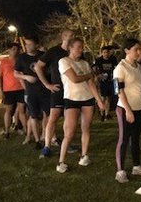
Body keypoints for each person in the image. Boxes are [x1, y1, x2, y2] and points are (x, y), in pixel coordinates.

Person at [56, 38, 105, 173]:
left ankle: (84, 156)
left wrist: (99, 100)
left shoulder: (84, 63)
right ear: (70, 48)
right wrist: (90, 74)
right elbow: (75, 79)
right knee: (70, 131)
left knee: (86, 128)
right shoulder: (64, 62)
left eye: (82, 47)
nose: (80, 50)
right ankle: (61, 161)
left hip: (87, 99)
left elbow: (90, 84)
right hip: (71, 99)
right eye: (78, 47)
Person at [114, 38, 141, 183]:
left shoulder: (137, 67)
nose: (139, 52)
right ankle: (120, 171)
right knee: (123, 139)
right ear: (126, 51)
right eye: (136, 49)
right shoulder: (120, 68)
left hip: (140, 108)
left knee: (135, 138)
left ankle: (136, 166)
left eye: (139, 49)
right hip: (125, 109)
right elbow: (119, 91)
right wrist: (128, 110)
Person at [34, 29, 74, 159]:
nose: (72, 38)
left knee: (69, 118)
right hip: (58, 89)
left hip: (72, 90)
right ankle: (47, 146)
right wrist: (47, 84)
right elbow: (38, 67)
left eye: (74, 36)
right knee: (53, 117)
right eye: (69, 36)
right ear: (63, 37)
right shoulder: (54, 51)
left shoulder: (76, 52)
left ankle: (67, 143)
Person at [14, 36, 48, 147]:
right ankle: (37, 140)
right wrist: (26, 77)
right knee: (33, 116)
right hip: (31, 91)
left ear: (36, 45)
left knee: (47, 114)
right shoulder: (21, 58)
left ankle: (44, 136)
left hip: (44, 89)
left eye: (30, 44)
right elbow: (15, 73)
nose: (27, 47)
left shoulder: (42, 55)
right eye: (26, 44)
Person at [0, 42, 28, 139]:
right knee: (9, 110)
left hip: (21, 89)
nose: (16, 51)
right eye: (13, 49)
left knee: (22, 110)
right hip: (8, 90)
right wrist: (0, 91)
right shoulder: (2, 62)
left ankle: (26, 130)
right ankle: (7, 131)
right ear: (9, 50)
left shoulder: (21, 61)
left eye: (17, 49)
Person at [92, 46, 118, 121]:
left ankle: (106, 114)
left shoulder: (113, 59)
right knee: (102, 98)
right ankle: (102, 114)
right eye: (104, 52)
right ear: (102, 53)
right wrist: (97, 75)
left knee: (108, 98)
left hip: (110, 80)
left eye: (107, 52)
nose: (106, 54)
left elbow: (116, 67)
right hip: (102, 82)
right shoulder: (98, 60)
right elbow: (93, 68)